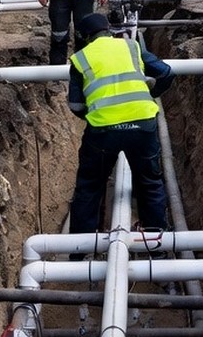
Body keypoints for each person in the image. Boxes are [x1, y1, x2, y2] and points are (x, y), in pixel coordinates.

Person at [66, 13, 174, 234]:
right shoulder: (131, 46)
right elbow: (166, 73)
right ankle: (156, 243)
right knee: (150, 183)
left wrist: (96, 114)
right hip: (143, 124)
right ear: (109, 30)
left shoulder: (80, 58)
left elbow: (76, 105)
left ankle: (80, 248)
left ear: (85, 37)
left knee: (90, 186)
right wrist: (151, 93)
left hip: (103, 131)